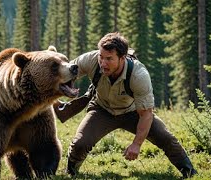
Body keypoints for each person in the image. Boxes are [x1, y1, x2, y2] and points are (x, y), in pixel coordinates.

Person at [65, 32, 197, 178]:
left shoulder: (139, 75)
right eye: (101, 57)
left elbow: (146, 114)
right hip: (101, 109)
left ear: (122, 58)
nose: (103, 63)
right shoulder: (91, 60)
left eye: (109, 59)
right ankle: (71, 172)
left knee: (166, 138)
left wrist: (137, 144)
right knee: (80, 144)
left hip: (133, 112)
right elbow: (66, 72)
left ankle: (190, 172)